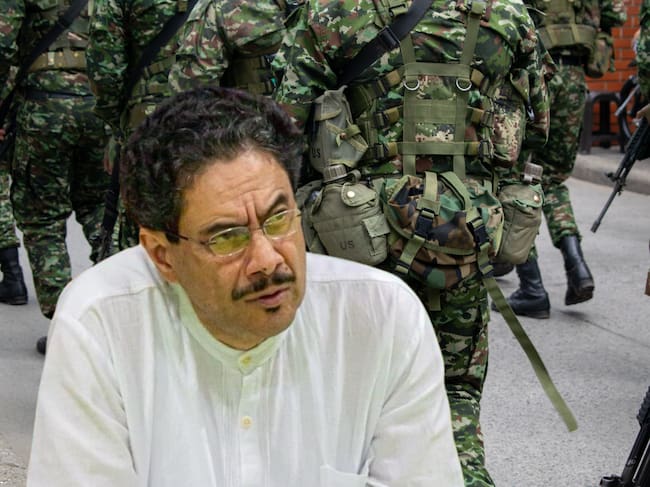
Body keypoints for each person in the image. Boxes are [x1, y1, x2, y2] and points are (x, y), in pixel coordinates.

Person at [26, 86, 464, 486]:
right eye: (227, 238)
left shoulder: (382, 317)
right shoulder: (102, 322)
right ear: (162, 255)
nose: (267, 260)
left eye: (278, 220)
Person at [273, 0, 551, 484]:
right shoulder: (508, 15)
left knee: (354, 398)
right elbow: (538, 125)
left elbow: (284, 121)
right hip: (465, 231)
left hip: (359, 239)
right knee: (455, 390)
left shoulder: (335, 9)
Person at [495, 0, 627, 318]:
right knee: (552, 178)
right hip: (574, 78)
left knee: (512, 180)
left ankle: (532, 288)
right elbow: (618, 14)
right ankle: (577, 268)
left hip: (536, 74)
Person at [0, 0, 110, 354]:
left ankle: (68, 326)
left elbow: (2, 44)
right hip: (97, 106)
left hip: (43, 107)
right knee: (99, 209)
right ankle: (114, 315)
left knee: (42, 217)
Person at [86, 0, 200, 253]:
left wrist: (117, 125)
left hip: (146, 119)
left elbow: (105, 71)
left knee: (142, 223)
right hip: (208, 113)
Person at [167, 0, 300, 95]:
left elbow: (189, 97)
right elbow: (192, 93)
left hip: (261, 120)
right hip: (261, 118)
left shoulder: (220, 7)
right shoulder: (220, 7)